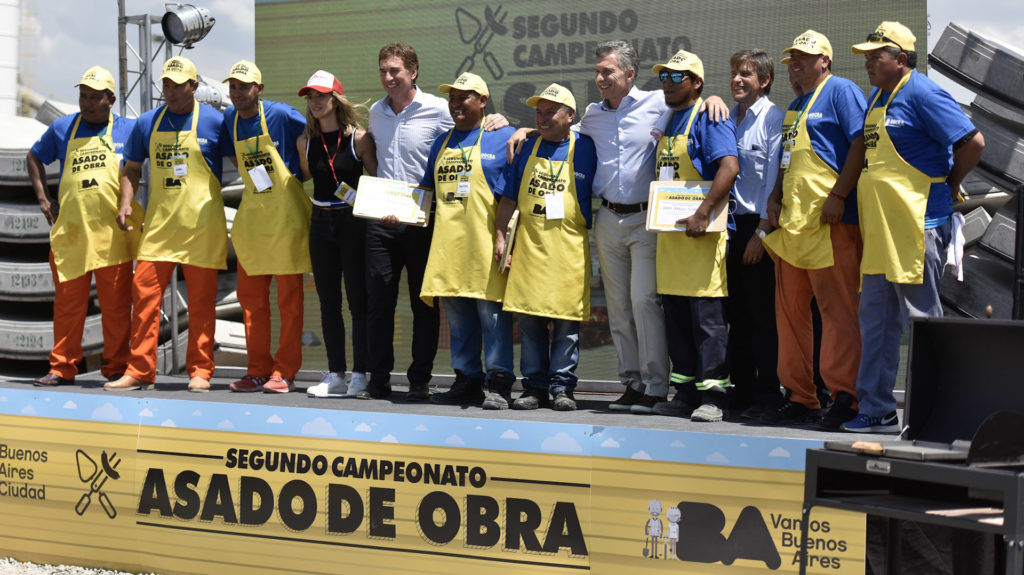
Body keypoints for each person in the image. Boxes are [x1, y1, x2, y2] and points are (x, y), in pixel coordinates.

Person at [845, 22, 983, 432]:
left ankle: (934, 415)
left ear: (901, 59)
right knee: (876, 322)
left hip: (918, 225)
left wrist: (950, 184)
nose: (868, 63)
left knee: (923, 322)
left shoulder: (923, 92)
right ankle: (877, 410)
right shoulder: (877, 96)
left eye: (876, 56)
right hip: (881, 230)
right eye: (867, 57)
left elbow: (973, 143)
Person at [366, 43, 506, 401]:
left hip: (422, 220)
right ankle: (378, 380)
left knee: (425, 306)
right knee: (379, 304)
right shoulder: (376, 113)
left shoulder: (438, 110)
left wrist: (502, 121)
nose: (387, 77)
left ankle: (420, 381)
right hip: (383, 220)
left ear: (413, 72)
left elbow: (472, 127)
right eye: (383, 70)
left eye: (395, 70)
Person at [762, 31, 867, 428]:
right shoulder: (795, 105)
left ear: (825, 60)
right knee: (789, 316)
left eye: (804, 57)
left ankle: (846, 398)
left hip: (829, 223)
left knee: (838, 315)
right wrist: (774, 196)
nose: (795, 63)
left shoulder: (842, 91)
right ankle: (801, 397)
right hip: (792, 226)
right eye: (792, 58)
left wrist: (839, 195)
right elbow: (787, 159)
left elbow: (860, 143)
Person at [106, 56, 228, 392]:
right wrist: (126, 202)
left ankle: (200, 371)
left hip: (203, 227)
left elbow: (241, 159)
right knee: (144, 295)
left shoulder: (215, 121)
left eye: (177, 85)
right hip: (160, 227)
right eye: (166, 85)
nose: (170, 91)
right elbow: (131, 168)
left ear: (194, 86)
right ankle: (139, 369)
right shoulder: (147, 122)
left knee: (202, 302)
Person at [26, 66, 142, 387]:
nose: (87, 103)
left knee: (116, 308)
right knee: (67, 307)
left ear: (111, 100)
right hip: (72, 234)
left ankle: (117, 367)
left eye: (94, 98)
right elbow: (34, 157)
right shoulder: (63, 127)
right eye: (83, 96)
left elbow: (141, 167)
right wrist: (43, 198)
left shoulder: (129, 130)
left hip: (112, 235)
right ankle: (62, 368)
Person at [646, 50, 739, 423]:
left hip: (703, 237)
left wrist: (703, 212)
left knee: (708, 324)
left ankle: (713, 397)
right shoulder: (669, 118)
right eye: (664, 77)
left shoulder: (709, 117)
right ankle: (683, 393)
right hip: (671, 239)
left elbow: (729, 167)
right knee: (678, 323)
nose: (667, 84)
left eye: (676, 77)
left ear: (697, 83)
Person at [494, 83, 598, 411]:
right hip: (530, 249)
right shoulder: (525, 146)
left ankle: (563, 389)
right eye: (539, 113)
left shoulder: (588, 147)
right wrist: (500, 237)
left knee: (567, 324)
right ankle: (534, 388)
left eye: (551, 112)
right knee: (529, 323)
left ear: (570, 116)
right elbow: (508, 199)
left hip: (569, 251)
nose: (542, 118)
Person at [418, 72, 516, 408]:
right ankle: (466, 380)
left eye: (464, 97)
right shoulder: (441, 142)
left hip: (487, 247)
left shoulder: (504, 136)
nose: (456, 104)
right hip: (449, 250)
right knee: (459, 325)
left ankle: (499, 383)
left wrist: (525, 129)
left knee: (493, 321)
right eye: (453, 98)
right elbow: (425, 194)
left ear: (483, 101)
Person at [220, 60, 310, 394]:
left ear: (259, 89)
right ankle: (257, 370)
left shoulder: (282, 114)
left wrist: (300, 173)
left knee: (290, 302)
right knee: (252, 302)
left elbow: (314, 137)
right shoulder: (229, 119)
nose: (237, 93)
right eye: (233, 87)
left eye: (244, 87)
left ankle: (284, 372)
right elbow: (235, 159)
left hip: (286, 220)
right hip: (254, 222)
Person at [294, 70, 378, 399]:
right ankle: (336, 374)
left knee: (358, 301)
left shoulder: (359, 138)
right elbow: (306, 176)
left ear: (336, 99)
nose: (315, 102)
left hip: (353, 222)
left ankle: (360, 374)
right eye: (310, 97)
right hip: (320, 222)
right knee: (329, 302)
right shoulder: (305, 142)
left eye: (321, 96)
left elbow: (377, 178)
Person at [722, 50, 786, 420]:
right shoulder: (726, 118)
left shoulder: (774, 119)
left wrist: (761, 233)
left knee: (763, 317)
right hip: (726, 228)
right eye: (734, 73)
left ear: (764, 80)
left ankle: (768, 395)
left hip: (758, 227)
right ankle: (741, 391)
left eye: (745, 73)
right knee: (736, 315)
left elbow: (775, 179)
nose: (737, 79)